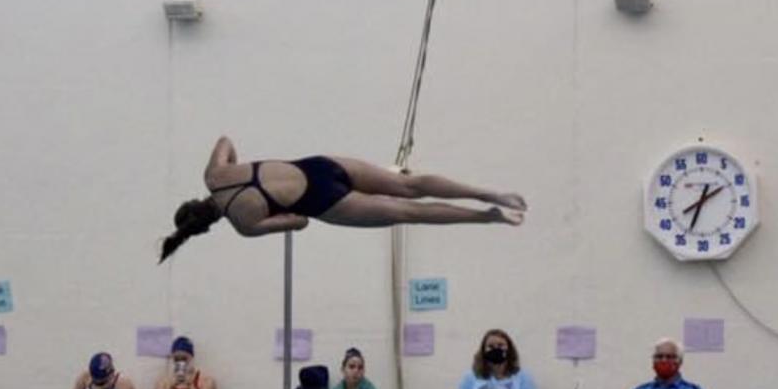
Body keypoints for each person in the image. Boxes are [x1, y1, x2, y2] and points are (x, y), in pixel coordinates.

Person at [159, 136, 527, 261]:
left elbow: (298, 222)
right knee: (412, 185)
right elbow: (225, 141)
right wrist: (242, 169)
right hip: (322, 166)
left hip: (321, 201)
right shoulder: (214, 174)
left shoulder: (243, 223)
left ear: (206, 228)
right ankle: (488, 192)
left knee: (409, 212)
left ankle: (486, 217)